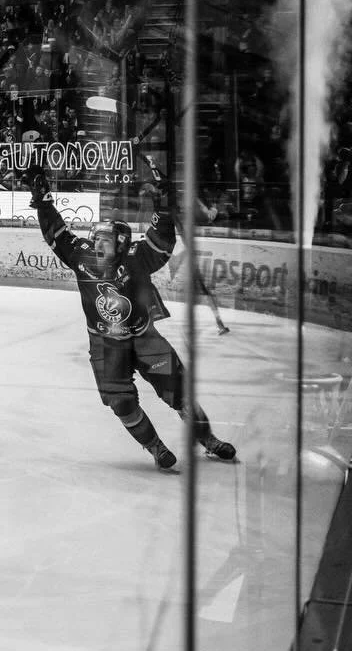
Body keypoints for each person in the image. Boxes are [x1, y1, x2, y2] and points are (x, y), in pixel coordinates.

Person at [26, 166, 235, 471]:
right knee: (121, 401)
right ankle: (156, 447)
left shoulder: (137, 258)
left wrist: (163, 209)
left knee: (181, 395)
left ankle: (209, 440)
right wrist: (44, 203)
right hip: (104, 344)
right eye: (95, 238)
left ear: (122, 245)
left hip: (144, 338)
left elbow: (161, 242)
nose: (97, 244)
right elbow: (56, 234)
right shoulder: (81, 256)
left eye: (105, 240)